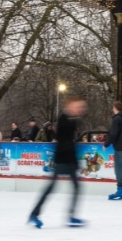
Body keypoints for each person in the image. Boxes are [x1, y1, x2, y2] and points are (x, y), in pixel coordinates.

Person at [28, 97, 87, 228]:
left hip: (70, 160)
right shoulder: (63, 119)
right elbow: (64, 141)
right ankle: (34, 214)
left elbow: (71, 142)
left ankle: (71, 216)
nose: (80, 110)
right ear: (70, 106)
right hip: (62, 159)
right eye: (78, 107)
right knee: (51, 188)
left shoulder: (72, 120)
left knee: (77, 187)